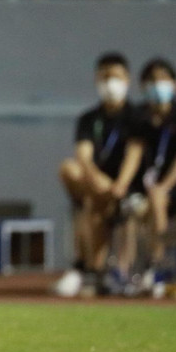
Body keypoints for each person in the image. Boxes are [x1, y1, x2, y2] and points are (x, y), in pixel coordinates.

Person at [112, 59, 176, 297]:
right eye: (151, 80)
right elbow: (134, 152)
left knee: (157, 197)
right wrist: (121, 184)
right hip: (147, 191)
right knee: (132, 209)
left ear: (174, 83)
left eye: (163, 79)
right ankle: (125, 273)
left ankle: (158, 265)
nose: (157, 85)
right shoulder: (140, 117)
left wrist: (165, 185)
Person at [53, 52, 134, 298]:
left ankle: (87, 268)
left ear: (127, 79)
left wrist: (120, 184)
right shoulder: (89, 119)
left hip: (126, 187)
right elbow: (83, 157)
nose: (110, 83)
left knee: (90, 206)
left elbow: (135, 154)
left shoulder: (135, 116)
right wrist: (97, 180)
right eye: (105, 77)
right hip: (96, 185)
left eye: (116, 76)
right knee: (74, 176)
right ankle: (93, 271)